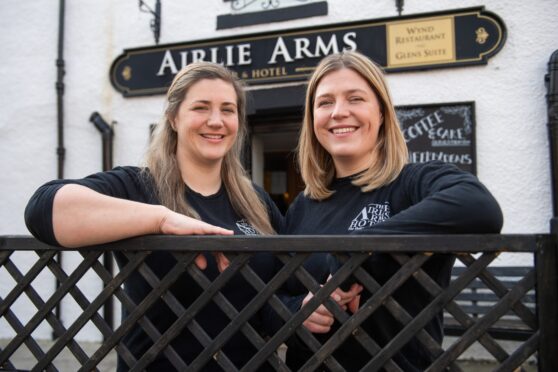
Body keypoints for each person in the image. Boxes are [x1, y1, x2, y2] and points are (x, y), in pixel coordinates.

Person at [25, 62, 283, 371]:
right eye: (201, 108)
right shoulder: (137, 186)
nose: (216, 121)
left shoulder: (256, 200)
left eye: (228, 110)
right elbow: (43, 208)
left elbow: (288, 282)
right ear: (174, 118)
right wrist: (160, 219)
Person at [279, 51, 503, 371]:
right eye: (325, 102)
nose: (339, 112)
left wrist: (352, 257)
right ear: (312, 118)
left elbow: (481, 208)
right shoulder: (303, 205)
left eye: (355, 98)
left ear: (382, 113)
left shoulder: (413, 183)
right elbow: (281, 295)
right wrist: (299, 311)